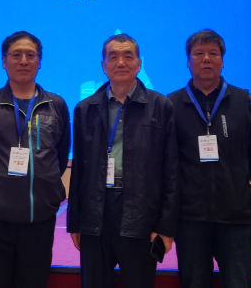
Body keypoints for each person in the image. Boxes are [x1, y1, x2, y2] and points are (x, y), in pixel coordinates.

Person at [67, 33, 179, 288]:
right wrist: (75, 222)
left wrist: (166, 225)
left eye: (128, 56)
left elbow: (171, 170)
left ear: (139, 64)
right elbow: (79, 171)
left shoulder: (161, 106)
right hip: (96, 213)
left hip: (140, 214)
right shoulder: (85, 108)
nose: (120, 62)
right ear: (103, 66)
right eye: (113, 57)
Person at [0, 31, 71, 288]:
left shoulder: (56, 105)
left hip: (40, 219)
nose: (23, 61)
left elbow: (60, 154)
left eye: (31, 55)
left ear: (40, 61)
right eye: (16, 54)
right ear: (4, 61)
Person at [168, 29, 251, 288]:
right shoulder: (171, 104)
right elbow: (166, 166)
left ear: (222, 61)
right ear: (188, 61)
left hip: (236, 217)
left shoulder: (243, 101)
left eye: (213, 54)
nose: (206, 59)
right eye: (198, 54)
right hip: (190, 219)